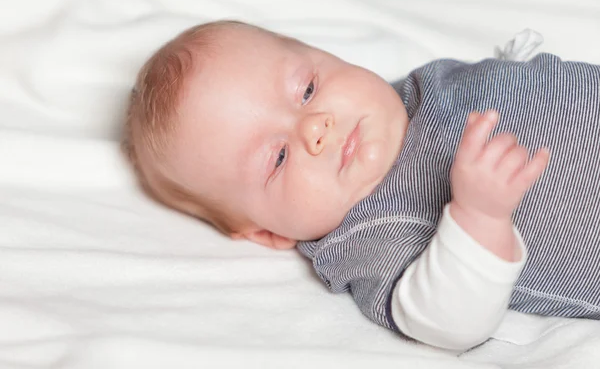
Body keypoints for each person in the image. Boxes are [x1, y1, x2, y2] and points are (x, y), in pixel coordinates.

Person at [122, 20, 600, 351]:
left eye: (307, 90)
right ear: (269, 232)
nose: (315, 125)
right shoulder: (370, 233)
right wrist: (479, 218)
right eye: (279, 158)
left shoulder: (416, 88)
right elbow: (449, 322)